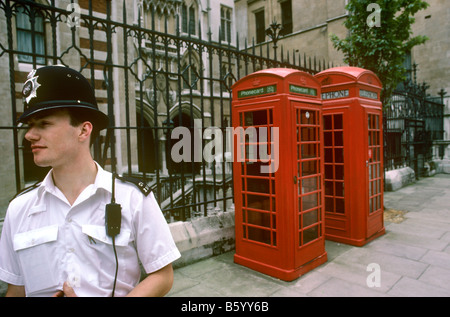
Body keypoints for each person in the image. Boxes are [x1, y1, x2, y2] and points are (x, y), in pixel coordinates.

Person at [0, 65, 180, 297]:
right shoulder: (19, 209)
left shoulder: (132, 198)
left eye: (43, 124)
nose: (29, 135)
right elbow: (16, 289)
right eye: (30, 125)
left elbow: (162, 275)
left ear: (83, 130)